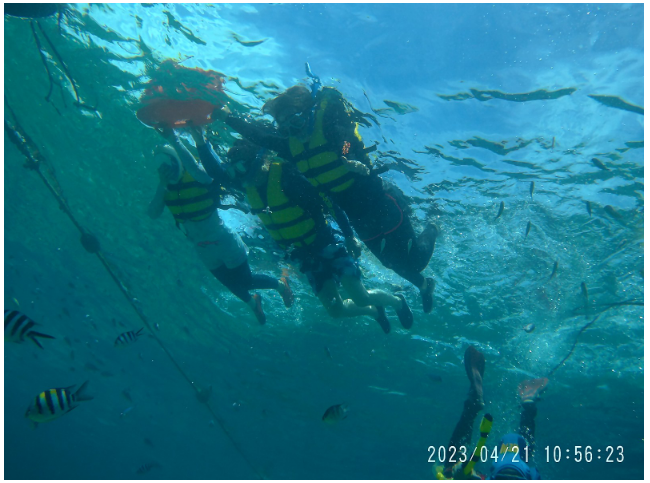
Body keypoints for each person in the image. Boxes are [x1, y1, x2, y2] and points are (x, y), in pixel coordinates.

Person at [214, 84, 439, 314]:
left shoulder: (328, 125)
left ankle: (433, 225)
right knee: (389, 262)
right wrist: (226, 117)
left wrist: (347, 156)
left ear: (306, 114)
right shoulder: (291, 147)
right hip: (357, 216)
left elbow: (346, 138)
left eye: (296, 121)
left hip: (381, 201)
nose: (293, 130)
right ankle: (425, 286)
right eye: (285, 127)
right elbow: (259, 136)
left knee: (415, 262)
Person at [225, 139, 414, 334]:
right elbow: (216, 172)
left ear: (262, 162)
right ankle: (375, 312)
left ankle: (397, 301)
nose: (248, 179)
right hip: (305, 256)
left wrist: (349, 236)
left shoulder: (288, 179)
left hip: (327, 244)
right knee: (335, 310)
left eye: (249, 172)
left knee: (361, 297)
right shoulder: (247, 184)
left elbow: (329, 202)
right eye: (240, 175)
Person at [147, 127, 294, 325]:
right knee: (229, 283)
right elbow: (152, 214)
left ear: (177, 162)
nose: (167, 172)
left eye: (169, 166)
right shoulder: (166, 189)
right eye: (162, 169)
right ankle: (253, 303)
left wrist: (174, 139)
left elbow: (195, 169)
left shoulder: (197, 176)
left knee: (245, 281)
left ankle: (281, 285)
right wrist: (162, 184)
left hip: (223, 239)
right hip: (201, 247)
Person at [437, 346, 546, 480]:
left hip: (518, 471)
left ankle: (528, 404)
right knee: (452, 467)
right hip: (510, 471)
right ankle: (472, 405)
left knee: (524, 453)